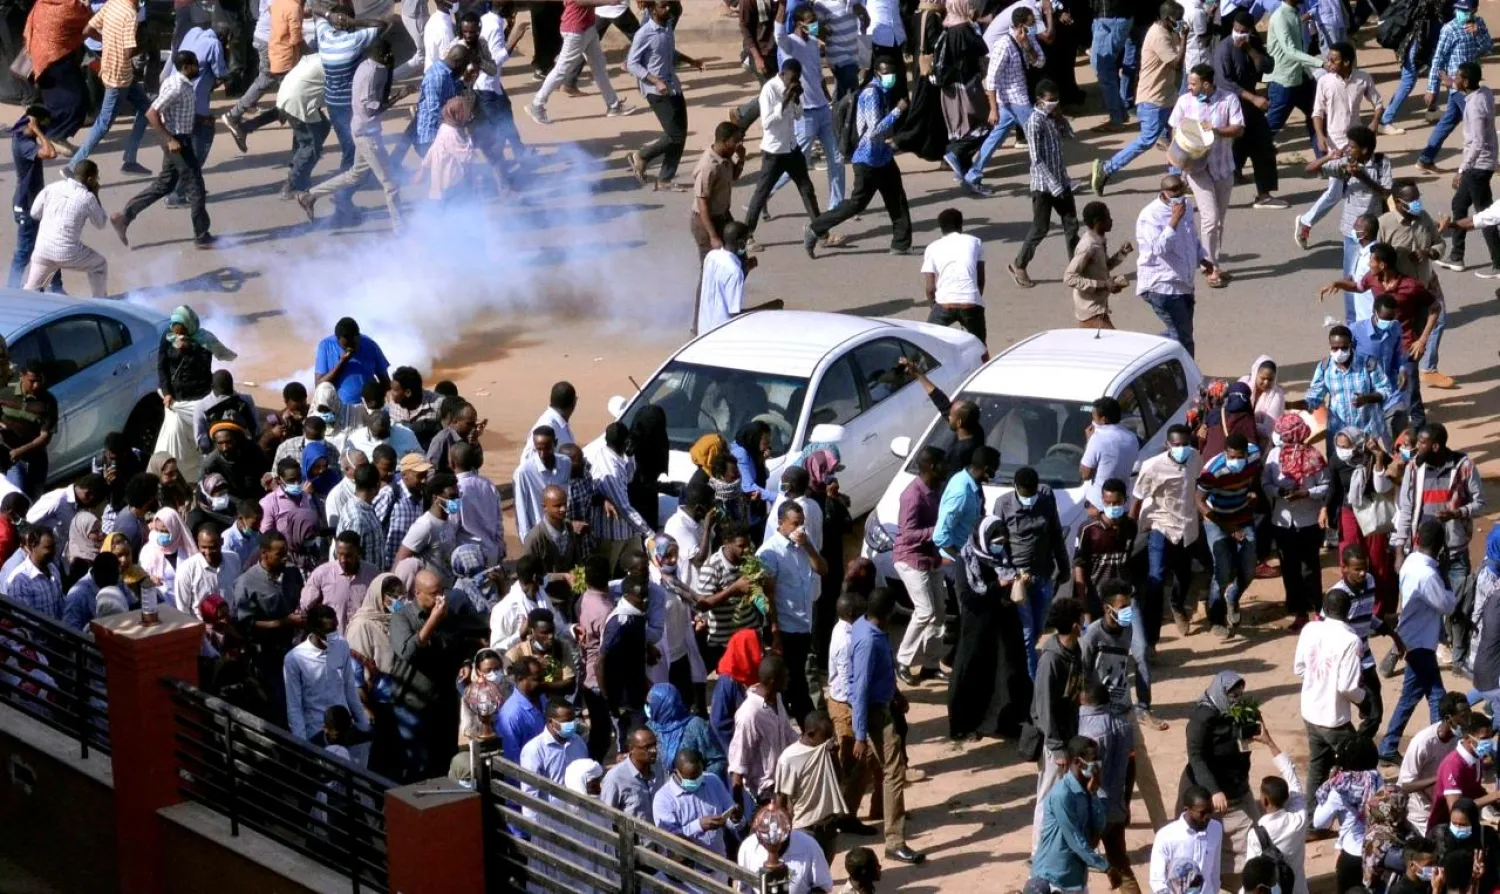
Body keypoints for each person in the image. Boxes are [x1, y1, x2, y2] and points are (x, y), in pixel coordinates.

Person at [802, 59, 912, 259]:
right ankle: (815, 228)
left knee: (897, 197)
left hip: (883, 155)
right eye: (887, 73)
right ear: (877, 74)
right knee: (857, 203)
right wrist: (898, 111)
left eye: (893, 73)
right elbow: (874, 129)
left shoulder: (883, 91)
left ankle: (901, 243)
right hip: (867, 158)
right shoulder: (871, 93)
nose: (891, 78)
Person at [1392, 424, 1483, 657]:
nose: (1415, 447)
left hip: (1455, 547)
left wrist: (1457, 513)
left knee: (1459, 600)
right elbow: (1405, 510)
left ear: (1435, 446)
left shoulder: (1464, 467)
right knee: (1420, 602)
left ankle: (1458, 654)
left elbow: (1480, 502)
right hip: (1423, 551)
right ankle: (1426, 645)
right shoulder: (1413, 468)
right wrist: (1400, 551)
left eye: (1421, 443)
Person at [108, 50, 214, 249]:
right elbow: (152, 113)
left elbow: (179, 113)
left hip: (180, 138)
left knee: (164, 185)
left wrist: (201, 119)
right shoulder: (176, 87)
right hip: (177, 142)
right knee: (196, 185)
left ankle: (124, 217)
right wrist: (169, 139)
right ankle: (202, 236)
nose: (197, 69)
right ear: (187, 66)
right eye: (195, 65)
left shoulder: (182, 84)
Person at [848, 588, 923, 864]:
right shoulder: (869, 641)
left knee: (868, 761)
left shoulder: (864, 627)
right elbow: (861, 689)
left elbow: (879, 673)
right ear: (889, 612)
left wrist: (895, 693)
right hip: (875, 712)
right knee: (894, 772)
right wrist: (859, 734)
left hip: (882, 703)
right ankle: (894, 840)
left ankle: (846, 813)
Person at [300, 39, 404, 230]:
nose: (390, 56)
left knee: (355, 175)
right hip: (367, 134)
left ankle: (310, 195)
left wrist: (389, 70)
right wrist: (400, 97)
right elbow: (371, 109)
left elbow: (382, 95)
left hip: (365, 131)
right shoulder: (370, 74)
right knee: (391, 184)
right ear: (378, 54)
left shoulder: (375, 66)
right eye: (387, 53)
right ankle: (401, 229)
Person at [1380, 520, 1459, 764]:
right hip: (1421, 643)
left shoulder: (1411, 562)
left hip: (1413, 639)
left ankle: (1388, 746)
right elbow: (1448, 604)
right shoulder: (1427, 574)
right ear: (1440, 546)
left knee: (1409, 698)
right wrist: (1445, 577)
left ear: (1417, 540)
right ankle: (1439, 749)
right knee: (1437, 697)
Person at [1091, 3, 1184, 196]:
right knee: (1147, 140)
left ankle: (1176, 181)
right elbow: (1176, 63)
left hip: (1167, 96)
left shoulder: (1168, 30)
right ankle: (1106, 169)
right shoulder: (1158, 35)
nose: (1180, 23)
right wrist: (1186, 38)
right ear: (1167, 19)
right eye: (1177, 19)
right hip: (1153, 99)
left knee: (1177, 138)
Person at [1168, 65, 1244, 286]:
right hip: (1196, 170)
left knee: (1219, 221)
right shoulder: (1184, 102)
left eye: (1193, 83)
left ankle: (1209, 260)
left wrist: (1216, 130)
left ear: (1207, 85)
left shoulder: (1228, 99)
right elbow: (1174, 129)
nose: (1189, 87)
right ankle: (1212, 268)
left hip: (1223, 167)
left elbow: (1238, 129)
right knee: (1210, 218)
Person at [1293, 584, 1367, 808]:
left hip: (1310, 712)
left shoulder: (1310, 629)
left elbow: (1300, 668)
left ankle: (1312, 820)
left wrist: (1320, 683)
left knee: (1318, 764)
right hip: (1334, 718)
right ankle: (1360, 812)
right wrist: (1364, 700)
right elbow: (1347, 687)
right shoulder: (1351, 640)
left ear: (1324, 609)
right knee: (1362, 763)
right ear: (1349, 611)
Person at [1181, 672, 1257, 884]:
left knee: (1253, 838)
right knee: (1205, 846)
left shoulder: (1236, 712)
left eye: (1240, 694)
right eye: (1233, 695)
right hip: (1208, 792)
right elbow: (1196, 757)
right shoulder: (1201, 719)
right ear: (1221, 692)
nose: (1237, 699)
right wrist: (1213, 791)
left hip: (1237, 787)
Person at [758, 500, 827, 722]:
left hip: (804, 623)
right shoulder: (770, 553)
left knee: (797, 678)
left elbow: (822, 569)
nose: (800, 529)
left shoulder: (804, 543)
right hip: (785, 628)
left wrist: (807, 546)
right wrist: (775, 632)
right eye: (795, 524)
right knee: (796, 681)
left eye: (802, 523)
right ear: (781, 523)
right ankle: (808, 724)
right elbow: (768, 596)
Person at [963, 6, 1043, 192]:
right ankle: (1054, 177)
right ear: (1019, 25)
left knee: (996, 138)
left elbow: (1040, 61)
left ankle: (972, 174)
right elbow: (990, 80)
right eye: (1030, 24)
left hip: (1015, 99)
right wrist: (993, 108)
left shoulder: (1029, 39)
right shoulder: (1003, 45)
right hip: (1015, 100)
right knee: (1040, 136)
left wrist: (1027, 46)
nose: (1033, 28)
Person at [1132, 425, 1200, 643]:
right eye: (1177, 445)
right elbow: (1139, 496)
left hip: (1185, 525)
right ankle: (1151, 640)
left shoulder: (1195, 458)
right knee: (1156, 579)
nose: (1182, 449)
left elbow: (1196, 483)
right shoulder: (1152, 466)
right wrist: (1131, 527)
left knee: (1184, 574)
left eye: (1185, 444)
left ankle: (1178, 605)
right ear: (1168, 445)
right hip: (1160, 524)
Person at [1009, 81, 1078, 291]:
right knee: (1041, 228)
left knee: (1072, 225)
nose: (1053, 103)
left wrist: (1061, 119)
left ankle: (1077, 267)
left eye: (1056, 100)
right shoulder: (1034, 123)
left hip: (1061, 181)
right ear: (1039, 100)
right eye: (1050, 100)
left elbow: (1070, 135)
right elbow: (1036, 159)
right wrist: (1054, 186)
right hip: (1044, 187)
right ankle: (1019, 264)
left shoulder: (1053, 119)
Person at [1028, 596, 1084, 852]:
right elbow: (1044, 709)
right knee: (1048, 796)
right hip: (1056, 741)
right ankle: (1038, 852)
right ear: (1075, 624)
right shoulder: (1050, 661)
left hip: (1070, 735)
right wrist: (1057, 748)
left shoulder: (1074, 650)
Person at [68, 0, 149, 174]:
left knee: (147, 110)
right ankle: (73, 165)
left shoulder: (112, 4)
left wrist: (108, 41)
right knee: (104, 123)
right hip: (119, 76)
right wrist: (143, 45)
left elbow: (87, 30)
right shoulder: (129, 14)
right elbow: (128, 52)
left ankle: (130, 159)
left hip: (114, 69)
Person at [1265, 413, 1331, 626]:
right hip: (1282, 521)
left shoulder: (1313, 456)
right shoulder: (1274, 456)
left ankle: (1318, 608)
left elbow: (1326, 485)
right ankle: (1298, 611)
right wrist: (1279, 491)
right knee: (1289, 567)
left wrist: (1307, 493)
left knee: (1310, 567)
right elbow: (1266, 483)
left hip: (1308, 520)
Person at [1134, 176, 1211, 356]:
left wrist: (1202, 258)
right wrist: (1174, 220)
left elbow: (1191, 238)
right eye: (1174, 191)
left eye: (1181, 189)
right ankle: (1190, 381)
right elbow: (1159, 248)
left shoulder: (1187, 208)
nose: (1179, 195)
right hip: (1162, 287)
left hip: (1184, 284)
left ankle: (1147, 354)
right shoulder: (1150, 216)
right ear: (1164, 193)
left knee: (1180, 333)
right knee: (1183, 339)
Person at [1214, 11, 1284, 209]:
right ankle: (1207, 189)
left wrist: (1250, 50)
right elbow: (1224, 82)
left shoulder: (1252, 42)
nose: (1238, 34)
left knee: (1263, 146)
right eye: (1236, 30)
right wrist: (1253, 98)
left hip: (1251, 107)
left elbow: (1268, 67)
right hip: (1231, 106)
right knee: (1228, 150)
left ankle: (1264, 195)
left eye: (1243, 31)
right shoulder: (1224, 49)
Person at [284, 603, 369, 759]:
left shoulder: (341, 646)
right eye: (328, 632)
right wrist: (302, 744)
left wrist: (364, 725)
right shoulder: (294, 659)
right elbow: (294, 705)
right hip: (317, 733)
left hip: (344, 728)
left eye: (335, 629)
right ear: (314, 630)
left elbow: (349, 688)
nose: (333, 636)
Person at [1197, 433, 1260, 638]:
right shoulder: (1212, 471)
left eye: (1239, 456)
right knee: (1222, 569)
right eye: (1231, 457)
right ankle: (1216, 618)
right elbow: (1199, 500)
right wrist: (1228, 527)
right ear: (1225, 453)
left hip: (1242, 513)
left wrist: (1253, 492)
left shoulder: (1254, 455)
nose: (1236, 461)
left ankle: (1233, 598)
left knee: (1249, 567)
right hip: (1216, 519)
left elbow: (1255, 474)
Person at [1416, 0, 1492, 171]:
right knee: (1479, 121)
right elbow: (1438, 58)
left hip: (1473, 83)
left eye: (1464, 10)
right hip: (1458, 86)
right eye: (1458, 9)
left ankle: (1425, 159)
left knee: (1448, 121)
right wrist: (1431, 88)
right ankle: (1486, 162)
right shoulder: (1449, 29)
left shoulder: (1479, 24)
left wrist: (1479, 33)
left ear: (1474, 10)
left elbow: (1488, 48)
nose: (1460, 13)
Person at [527, 0, 628, 125]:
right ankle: (536, 105)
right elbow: (581, 1)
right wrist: (608, 2)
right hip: (576, 31)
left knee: (599, 67)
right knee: (562, 70)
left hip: (587, 27)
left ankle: (614, 105)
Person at [1031, 734, 1109, 889]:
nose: (1097, 764)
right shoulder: (1062, 794)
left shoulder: (1087, 789)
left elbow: (1100, 826)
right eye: (1094, 759)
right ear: (1078, 762)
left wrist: (1094, 794)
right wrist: (1106, 867)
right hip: (1052, 879)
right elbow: (1074, 838)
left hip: (1075, 878)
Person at [624, 2, 688, 189]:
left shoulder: (667, 27)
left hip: (673, 86)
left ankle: (665, 179)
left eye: (668, 5)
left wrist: (691, 61)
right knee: (674, 135)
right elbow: (632, 63)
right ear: (653, 10)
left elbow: (669, 52)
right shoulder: (644, 33)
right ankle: (642, 156)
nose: (668, 9)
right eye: (663, 6)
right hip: (656, 91)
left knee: (680, 135)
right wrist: (656, 81)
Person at [22, 160, 108, 297]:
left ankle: (19, 310)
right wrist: (96, 194)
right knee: (99, 265)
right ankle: (100, 303)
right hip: (68, 252)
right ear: (90, 179)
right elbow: (101, 223)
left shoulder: (52, 187)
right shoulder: (88, 198)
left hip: (43, 250)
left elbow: (34, 213)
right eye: (96, 178)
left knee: (31, 291)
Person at [1243, 727, 1307, 894]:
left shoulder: (1256, 834)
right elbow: (1291, 774)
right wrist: (1270, 742)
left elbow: (1252, 871)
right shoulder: (1299, 818)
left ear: (1264, 801)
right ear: (1287, 798)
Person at [728, 653, 799, 803]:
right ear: (773, 681)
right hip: (764, 792)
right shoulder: (749, 714)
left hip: (783, 782)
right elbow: (739, 758)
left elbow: (788, 733)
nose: (788, 680)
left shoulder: (777, 699)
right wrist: (738, 800)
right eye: (785, 677)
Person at [655, 746, 746, 859]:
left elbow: (734, 823)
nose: (697, 780)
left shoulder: (713, 781)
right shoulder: (664, 798)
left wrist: (735, 819)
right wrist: (699, 826)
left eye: (699, 775)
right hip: (689, 867)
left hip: (719, 863)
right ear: (677, 772)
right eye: (691, 778)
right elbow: (668, 838)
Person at [7, 106, 59, 291]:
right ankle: (11, 290)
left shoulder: (23, 137)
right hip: (27, 206)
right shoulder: (24, 144)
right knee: (24, 251)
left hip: (35, 203)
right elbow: (51, 153)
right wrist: (37, 130)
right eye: (42, 126)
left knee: (50, 244)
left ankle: (56, 286)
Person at [1426, 710, 1499, 834]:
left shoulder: (1475, 757)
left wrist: (1496, 803)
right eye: (1483, 738)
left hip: (1468, 824)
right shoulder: (1453, 765)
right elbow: (1457, 809)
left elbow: (1475, 789)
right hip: (1447, 831)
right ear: (1467, 738)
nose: (1488, 742)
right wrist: (1496, 795)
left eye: (1489, 737)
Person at [921, 208, 988, 342]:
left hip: (945, 304)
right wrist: (974, 297)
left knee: (927, 342)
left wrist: (933, 307)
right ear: (961, 225)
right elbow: (980, 279)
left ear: (941, 228)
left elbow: (930, 289)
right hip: (971, 302)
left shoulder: (932, 247)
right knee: (979, 345)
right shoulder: (975, 242)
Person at [736, 804, 835, 893]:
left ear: (789, 830)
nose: (773, 841)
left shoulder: (809, 846)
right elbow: (744, 888)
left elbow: (823, 887)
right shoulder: (748, 847)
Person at [1065, 201, 1133, 329]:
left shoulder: (1099, 240)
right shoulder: (1088, 246)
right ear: (1098, 222)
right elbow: (1070, 278)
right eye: (1107, 217)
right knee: (1115, 343)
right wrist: (1104, 285)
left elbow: (1104, 266)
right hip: (1090, 310)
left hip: (1097, 306)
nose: (1111, 220)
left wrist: (1121, 254)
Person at [1148, 787, 1223, 894]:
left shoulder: (1216, 829)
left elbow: (1215, 872)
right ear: (1187, 809)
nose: (1207, 817)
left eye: (1210, 811)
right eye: (1202, 813)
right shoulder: (1166, 836)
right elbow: (1157, 880)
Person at [0, 362, 58, 496]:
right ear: (22, 376)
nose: (36, 385)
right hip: (10, 458)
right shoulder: (5, 392)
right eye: (32, 381)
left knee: (32, 503)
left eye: (39, 380)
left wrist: (20, 451)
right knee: (16, 496)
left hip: (35, 460)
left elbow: (44, 438)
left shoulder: (48, 402)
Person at [513, 426, 572, 540]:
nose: (542, 454)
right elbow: (520, 508)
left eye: (547, 449)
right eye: (538, 449)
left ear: (555, 443)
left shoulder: (566, 463)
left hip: (563, 532)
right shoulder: (524, 472)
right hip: (539, 535)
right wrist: (526, 540)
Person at [601, 726, 662, 822]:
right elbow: (606, 818)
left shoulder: (658, 767)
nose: (654, 750)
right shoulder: (615, 778)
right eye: (647, 747)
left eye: (655, 745)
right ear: (631, 749)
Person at [5, 528, 64, 620]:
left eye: (53, 547)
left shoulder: (52, 569)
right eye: (48, 548)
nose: (53, 552)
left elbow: (60, 606)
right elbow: (24, 621)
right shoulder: (20, 580)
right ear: (33, 546)